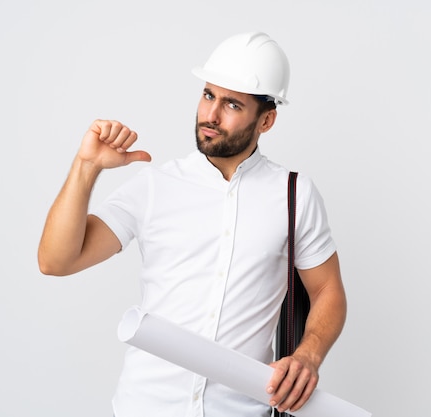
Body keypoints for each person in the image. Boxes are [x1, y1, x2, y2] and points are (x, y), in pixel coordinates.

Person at [38, 31, 347, 417]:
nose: (211, 115)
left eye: (232, 104)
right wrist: (87, 167)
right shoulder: (155, 186)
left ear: (266, 120)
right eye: (208, 95)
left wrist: (308, 355)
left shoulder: (294, 194)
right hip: (145, 408)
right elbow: (56, 261)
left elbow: (327, 290)